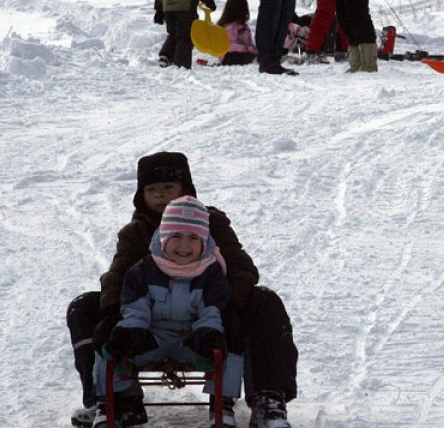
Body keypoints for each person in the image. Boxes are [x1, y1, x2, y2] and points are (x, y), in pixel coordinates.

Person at [67, 152, 297, 428]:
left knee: (265, 300)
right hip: (149, 321)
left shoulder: (211, 222)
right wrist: (111, 314)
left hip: (208, 315)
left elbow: (242, 270)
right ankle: (107, 399)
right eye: (152, 190)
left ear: (185, 188)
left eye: (168, 188)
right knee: (84, 307)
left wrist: (230, 309)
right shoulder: (136, 232)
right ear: (142, 196)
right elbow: (118, 275)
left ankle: (268, 399)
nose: (160, 196)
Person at [92, 195, 243, 428]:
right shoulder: (143, 270)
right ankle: (111, 401)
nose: (184, 246)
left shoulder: (211, 273)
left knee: (231, 348)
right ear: (163, 238)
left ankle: (222, 402)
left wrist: (208, 335)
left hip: (192, 338)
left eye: (193, 238)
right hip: (153, 336)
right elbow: (135, 309)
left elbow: (211, 312)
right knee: (107, 349)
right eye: (176, 236)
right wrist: (128, 333)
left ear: (205, 241)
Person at [217, 0, 257, 66]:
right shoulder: (231, 27)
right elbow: (229, 46)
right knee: (246, 57)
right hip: (229, 56)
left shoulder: (245, 27)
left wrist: (254, 50)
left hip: (243, 52)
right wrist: (246, 49)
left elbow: (250, 43)